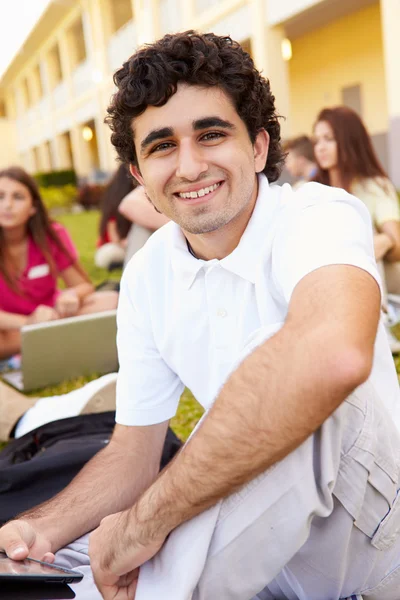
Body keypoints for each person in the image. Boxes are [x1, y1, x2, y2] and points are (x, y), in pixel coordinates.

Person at [1, 31, 400, 600]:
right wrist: (39, 528)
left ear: (259, 149)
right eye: (162, 146)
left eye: (211, 135)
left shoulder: (319, 214)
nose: (189, 166)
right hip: (252, 556)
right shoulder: (147, 275)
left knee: (290, 368)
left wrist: (142, 525)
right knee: (74, 550)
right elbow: (132, 455)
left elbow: (332, 357)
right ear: (138, 176)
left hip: (374, 555)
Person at [0, 166, 118, 360]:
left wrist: (72, 296)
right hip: (11, 326)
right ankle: (54, 337)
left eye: (18, 197)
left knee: (110, 301)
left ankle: (44, 339)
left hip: (53, 316)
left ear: (33, 207)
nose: (7, 205)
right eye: (1, 196)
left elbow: (83, 286)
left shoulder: (51, 235)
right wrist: (28, 322)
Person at [313, 106, 400, 350]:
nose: (320, 147)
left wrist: (374, 242)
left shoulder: (375, 187)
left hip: (383, 269)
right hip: (331, 270)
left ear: (349, 140)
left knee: (368, 237)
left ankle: (379, 325)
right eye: (317, 140)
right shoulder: (313, 191)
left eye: (329, 139)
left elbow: (397, 248)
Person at [95, 164, 134, 270]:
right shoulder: (117, 205)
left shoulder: (113, 196)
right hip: (110, 250)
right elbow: (114, 238)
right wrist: (127, 243)